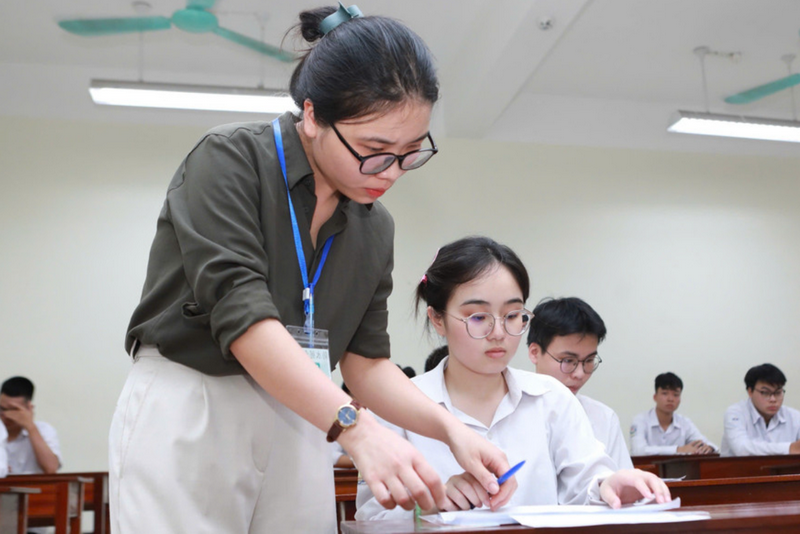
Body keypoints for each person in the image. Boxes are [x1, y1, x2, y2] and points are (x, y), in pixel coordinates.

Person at [110, 5, 514, 532]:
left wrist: (450, 429)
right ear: (313, 115)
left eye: (411, 152)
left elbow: (366, 364)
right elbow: (243, 318)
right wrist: (356, 427)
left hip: (307, 411)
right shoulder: (230, 159)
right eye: (374, 150)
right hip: (196, 401)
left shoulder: (374, 225)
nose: (391, 172)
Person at [356, 237, 670, 520]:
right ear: (437, 319)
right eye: (478, 317)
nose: (499, 333)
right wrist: (430, 505)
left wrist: (610, 485)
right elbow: (371, 517)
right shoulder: (396, 404)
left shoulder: (551, 398)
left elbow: (586, 484)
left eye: (512, 315)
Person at [526, 297, 634, 470]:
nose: (580, 374)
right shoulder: (509, 412)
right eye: (568, 360)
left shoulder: (603, 418)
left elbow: (621, 480)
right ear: (535, 353)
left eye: (589, 360)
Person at [721, 363, 800, 456]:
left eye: (778, 392)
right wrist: (789, 448)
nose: (773, 399)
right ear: (750, 391)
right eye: (765, 393)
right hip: (740, 466)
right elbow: (742, 449)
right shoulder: (735, 413)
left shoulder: (794, 416)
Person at [629, 372, 716, 455]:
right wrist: (677, 450)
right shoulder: (640, 421)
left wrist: (709, 448)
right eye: (665, 393)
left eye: (675, 395)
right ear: (655, 397)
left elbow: (708, 444)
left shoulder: (684, 422)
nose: (670, 399)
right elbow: (638, 451)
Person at [0, 376, 61, 476]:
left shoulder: (44, 429)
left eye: (13, 409)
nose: (6, 415)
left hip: (35, 485)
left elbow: (50, 469)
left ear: (28, 408)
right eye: (2, 408)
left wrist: (30, 426)